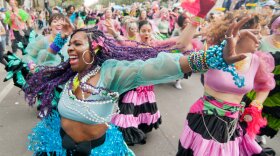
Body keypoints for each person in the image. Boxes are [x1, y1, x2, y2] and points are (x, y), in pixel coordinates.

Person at [22, 9, 250, 156]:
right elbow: (40, 63)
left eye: (78, 44)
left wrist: (212, 57)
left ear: (95, 48)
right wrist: (59, 39)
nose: (71, 48)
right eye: (69, 45)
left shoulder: (111, 73)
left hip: (99, 151)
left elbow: (156, 66)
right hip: (57, 146)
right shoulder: (68, 72)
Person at [176, 12, 276, 156]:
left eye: (261, 33)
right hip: (204, 119)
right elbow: (182, 46)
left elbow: (265, 85)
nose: (260, 38)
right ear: (239, 32)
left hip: (233, 124)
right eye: (256, 32)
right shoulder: (214, 54)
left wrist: (256, 104)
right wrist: (198, 16)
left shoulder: (257, 60)